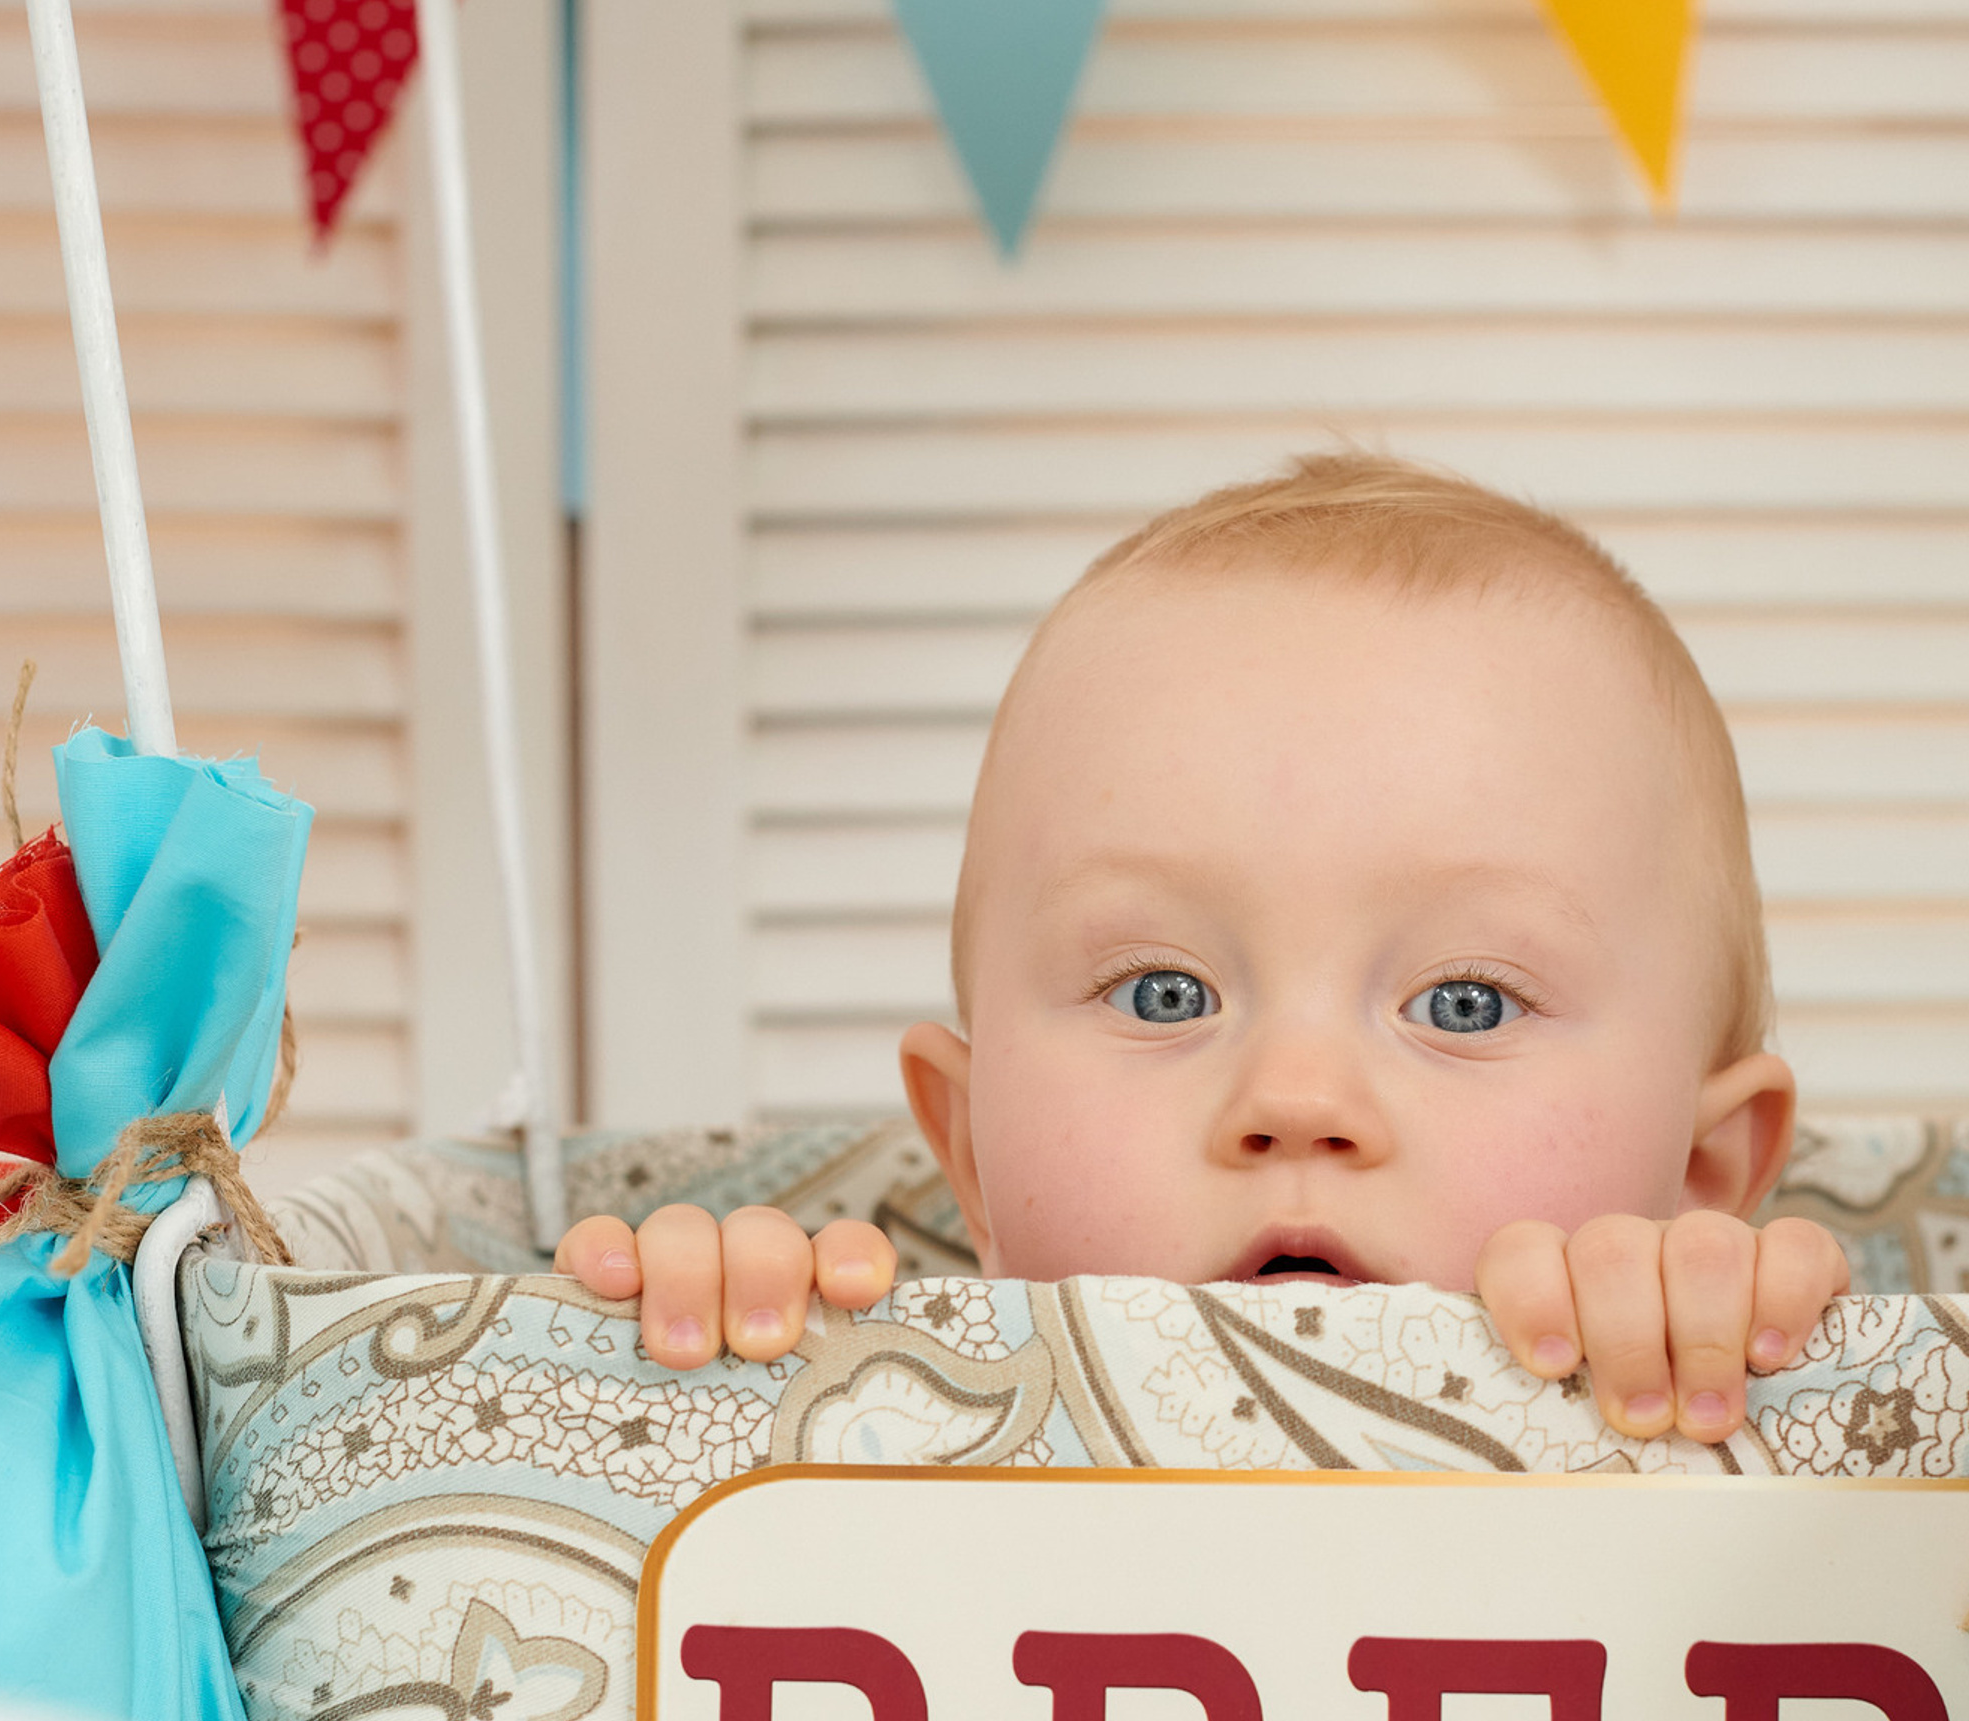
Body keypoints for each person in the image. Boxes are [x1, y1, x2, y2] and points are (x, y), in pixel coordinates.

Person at [557, 455, 1847, 1449]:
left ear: (1699, 1165)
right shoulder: (894, 1432)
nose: (1296, 1101)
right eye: (1165, 993)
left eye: (1463, 1004)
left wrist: (1726, 1332)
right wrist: (723, 1382)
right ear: (975, 1156)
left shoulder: (1727, 1409)